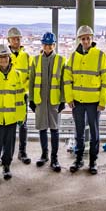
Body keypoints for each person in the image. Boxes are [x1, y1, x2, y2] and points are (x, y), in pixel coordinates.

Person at [64, 25, 106, 175]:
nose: (86, 41)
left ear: (92, 38)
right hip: (77, 101)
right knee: (79, 132)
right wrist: (69, 98)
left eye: (88, 38)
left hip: (94, 102)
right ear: (79, 40)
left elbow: (105, 80)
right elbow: (67, 79)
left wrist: (103, 101)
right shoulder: (73, 57)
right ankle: (78, 159)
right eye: (83, 38)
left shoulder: (101, 56)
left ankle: (93, 161)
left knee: (95, 133)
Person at [0, 44, 26, 182]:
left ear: (10, 58)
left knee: (9, 146)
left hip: (11, 118)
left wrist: (21, 117)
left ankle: (6, 166)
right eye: (1, 57)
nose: (4, 59)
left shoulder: (17, 75)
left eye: (6, 56)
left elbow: (20, 98)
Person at [29, 32, 65, 172]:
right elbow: (32, 80)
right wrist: (31, 99)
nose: (48, 47)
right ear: (42, 45)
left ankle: (54, 158)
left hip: (54, 101)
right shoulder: (36, 60)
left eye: (50, 44)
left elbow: (63, 82)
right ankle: (44, 155)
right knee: (42, 128)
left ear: (54, 45)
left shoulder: (61, 60)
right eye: (45, 44)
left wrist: (63, 100)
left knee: (55, 129)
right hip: (40, 100)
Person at [7, 27, 32, 164]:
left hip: (22, 95)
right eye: (14, 38)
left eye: (18, 38)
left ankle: (22, 152)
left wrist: (24, 89)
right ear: (9, 40)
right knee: (8, 125)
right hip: (7, 95)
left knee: (23, 124)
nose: (16, 41)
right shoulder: (4, 55)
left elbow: (30, 76)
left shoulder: (26, 57)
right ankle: (7, 153)